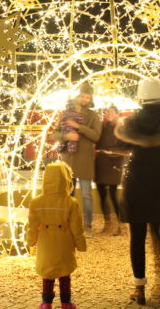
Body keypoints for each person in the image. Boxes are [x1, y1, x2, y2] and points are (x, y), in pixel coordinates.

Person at [115, 78, 160, 307]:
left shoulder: (131, 123)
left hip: (136, 182)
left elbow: (120, 144)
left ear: (141, 97)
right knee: (158, 235)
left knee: (138, 236)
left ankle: (139, 288)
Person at [28, 161, 87, 309]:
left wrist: (31, 240)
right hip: (64, 243)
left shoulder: (36, 202)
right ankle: (66, 303)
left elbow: (32, 225)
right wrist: (81, 245)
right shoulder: (71, 203)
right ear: (66, 179)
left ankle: (46, 303)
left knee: (47, 274)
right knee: (64, 274)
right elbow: (77, 228)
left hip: (46, 243)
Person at [53, 82, 101, 237]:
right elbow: (54, 134)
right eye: (83, 96)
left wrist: (79, 127)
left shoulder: (93, 116)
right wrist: (65, 136)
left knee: (86, 194)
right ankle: (68, 223)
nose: (85, 99)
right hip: (68, 160)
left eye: (88, 97)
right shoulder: (65, 114)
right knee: (68, 194)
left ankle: (87, 226)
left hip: (84, 160)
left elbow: (96, 135)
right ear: (78, 96)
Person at [94, 106, 129, 235]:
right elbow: (96, 142)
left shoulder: (121, 129)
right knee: (102, 194)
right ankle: (107, 223)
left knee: (113, 195)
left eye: (111, 112)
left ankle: (121, 225)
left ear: (116, 113)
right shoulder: (102, 127)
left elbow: (125, 149)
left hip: (114, 164)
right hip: (101, 165)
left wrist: (108, 152)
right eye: (107, 112)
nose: (108, 114)